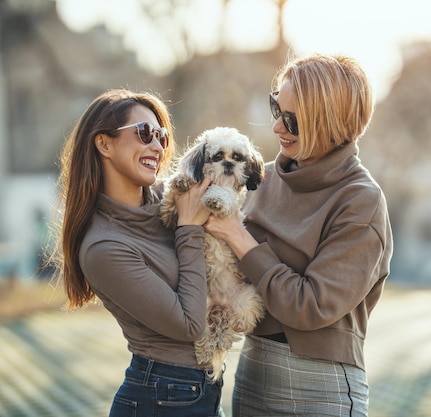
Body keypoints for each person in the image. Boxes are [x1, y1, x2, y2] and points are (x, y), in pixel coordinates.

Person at [205, 54, 394, 416]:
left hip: (320, 386)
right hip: (254, 371)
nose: (277, 127)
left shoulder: (360, 201)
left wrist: (239, 237)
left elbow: (311, 306)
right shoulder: (262, 178)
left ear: (330, 124)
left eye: (291, 120)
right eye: (277, 107)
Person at [48, 89, 224, 417]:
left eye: (162, 136)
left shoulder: (169, 200)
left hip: (204, 389)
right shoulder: (103, 247)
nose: (156, 147)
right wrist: (188, 229)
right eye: (144, 134)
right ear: (104, 144)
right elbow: (189, 326)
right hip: (160, 398)